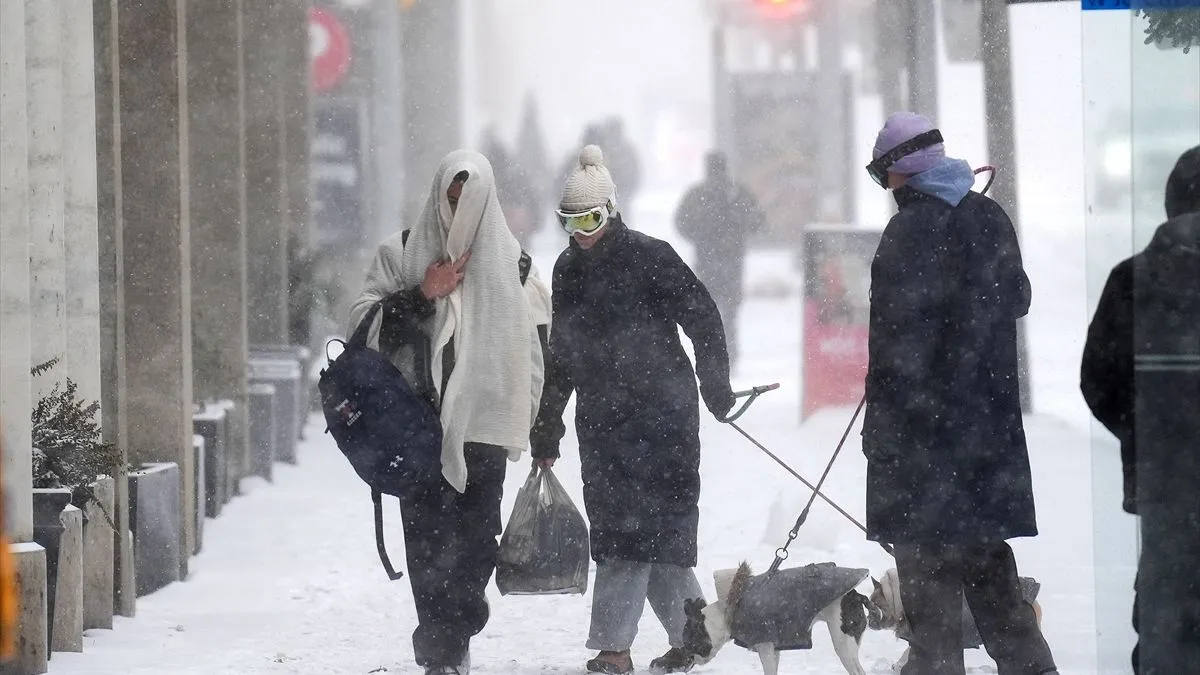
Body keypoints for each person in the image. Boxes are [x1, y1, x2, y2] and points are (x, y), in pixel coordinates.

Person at [860, 112, 1058, 675]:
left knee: (927, 582)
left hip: (922, 441)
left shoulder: (907, 233)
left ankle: (936, 668)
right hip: (985, 435)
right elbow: (1017, 297)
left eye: (882, 174)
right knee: (990, 571)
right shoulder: (988, 217)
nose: (886, 187)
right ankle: (1032, 669)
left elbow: (895, 349)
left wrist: (882, 432)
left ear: (902, 171)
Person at [530, 145, 735, 675]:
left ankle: (614, 648)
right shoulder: (566, 271)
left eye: (590, 220)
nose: (580, 233)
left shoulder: (651, 256)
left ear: (611, 211)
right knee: (634, 535)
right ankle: (694, 637)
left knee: (645, 534)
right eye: (569, 221)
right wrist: (547, 427)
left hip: (665, 416)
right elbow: (562, 355)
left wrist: (715, 385)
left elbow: (703, 317)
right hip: (602, 422)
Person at [347, 150, 552, 675]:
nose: (458, 213)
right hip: (415, 426)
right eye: (451, 200)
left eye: (469, 203)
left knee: (478, 546)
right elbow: (361, 330)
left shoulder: (515, 267)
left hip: (486, 423)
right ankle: (441, 653)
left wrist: (534, 417)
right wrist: (422, 294)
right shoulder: (401, 253)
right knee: (427, 546)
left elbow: (535, 351)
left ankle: (455, 627)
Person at [1081, 145, 1200, 674]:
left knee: (1166, 622)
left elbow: (1098, 380)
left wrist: (1149, 432)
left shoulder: (1134, 279)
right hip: (1166, 482)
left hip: (1167, 487)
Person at [674, 150, 765, 366]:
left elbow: (681, 223)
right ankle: (730, 354)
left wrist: (699, 237)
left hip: (706, 259)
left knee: (708, 309)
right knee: (730, 311)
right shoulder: (737, 193)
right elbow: (758, 220)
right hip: (732, 260)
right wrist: (737, 231)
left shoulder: (698, 195)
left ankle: (712, 355)